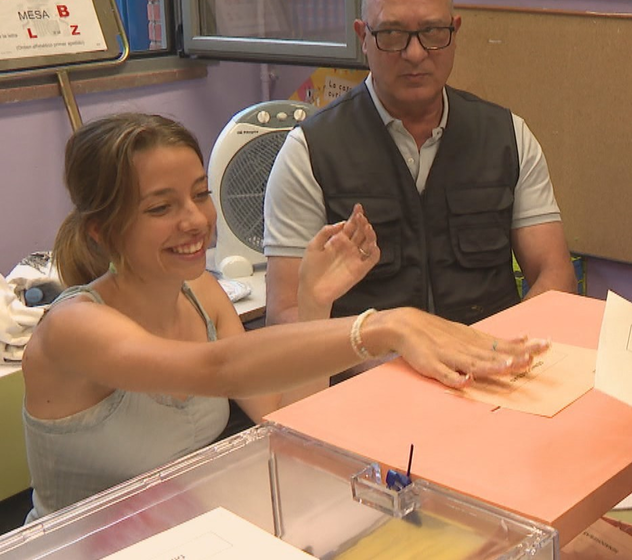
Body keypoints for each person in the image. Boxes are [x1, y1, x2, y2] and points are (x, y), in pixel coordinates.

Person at [21, 113, 548, 520]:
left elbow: (288, 421)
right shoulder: (73, 328)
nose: (194, 221)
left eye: (200, 195)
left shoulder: (201, 293)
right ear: (101, 231)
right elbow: (216, 368)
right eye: (160, 208)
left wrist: (313, 303)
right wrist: (383, 325)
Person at [262, 0, 577, 376]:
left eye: (432, 33)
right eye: (392, 34)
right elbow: (284, 315)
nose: (414, 53)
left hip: (492, 379)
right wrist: (396, 372)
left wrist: (502, 356)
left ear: (455, 31)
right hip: (367, 388)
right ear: (363, 36)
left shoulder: (507, 136)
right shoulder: (310, 154)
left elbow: (554, 275)